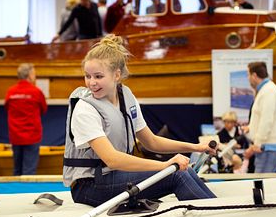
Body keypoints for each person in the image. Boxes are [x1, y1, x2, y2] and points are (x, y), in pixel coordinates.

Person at [63, 35, 217, 207]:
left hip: (115, 176)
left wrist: (195, 147)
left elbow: (151, 142)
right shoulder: (85, 109)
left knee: (184, 170)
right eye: (87, 76)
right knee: (175, 173)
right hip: (89, 187)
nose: (91, 83)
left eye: (98, 76)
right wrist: (164, 165)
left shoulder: (127, 97)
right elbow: (112, 159)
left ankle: (218, 210)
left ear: (117, 75)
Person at [243, 61, 276, 173]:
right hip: (269, 147)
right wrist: (251, 128)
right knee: (275, 186)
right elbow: (263, 117)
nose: (247, 78)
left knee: (261, 185)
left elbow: (267, 120)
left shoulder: (268, 91)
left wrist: (257, 143)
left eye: (248, 75)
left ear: (254, 76)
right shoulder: (266, 90)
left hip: (268, 148)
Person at [5, 63, 47, 176]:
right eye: (34, 73)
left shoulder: (11, 91)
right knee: (29, 172)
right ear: (29, 75)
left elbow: (7, 108)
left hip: (15, 135)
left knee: (16, 170)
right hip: (32, 136)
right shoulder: (36, 92)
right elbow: (43, 109)